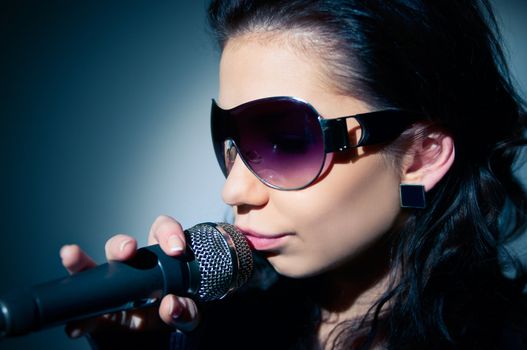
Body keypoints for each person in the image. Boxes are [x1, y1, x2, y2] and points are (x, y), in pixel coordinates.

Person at [59, 0, 527, 349]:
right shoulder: (216, 328)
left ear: (422, 157)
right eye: (230, 138)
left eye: (285, 141)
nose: (233, 189)